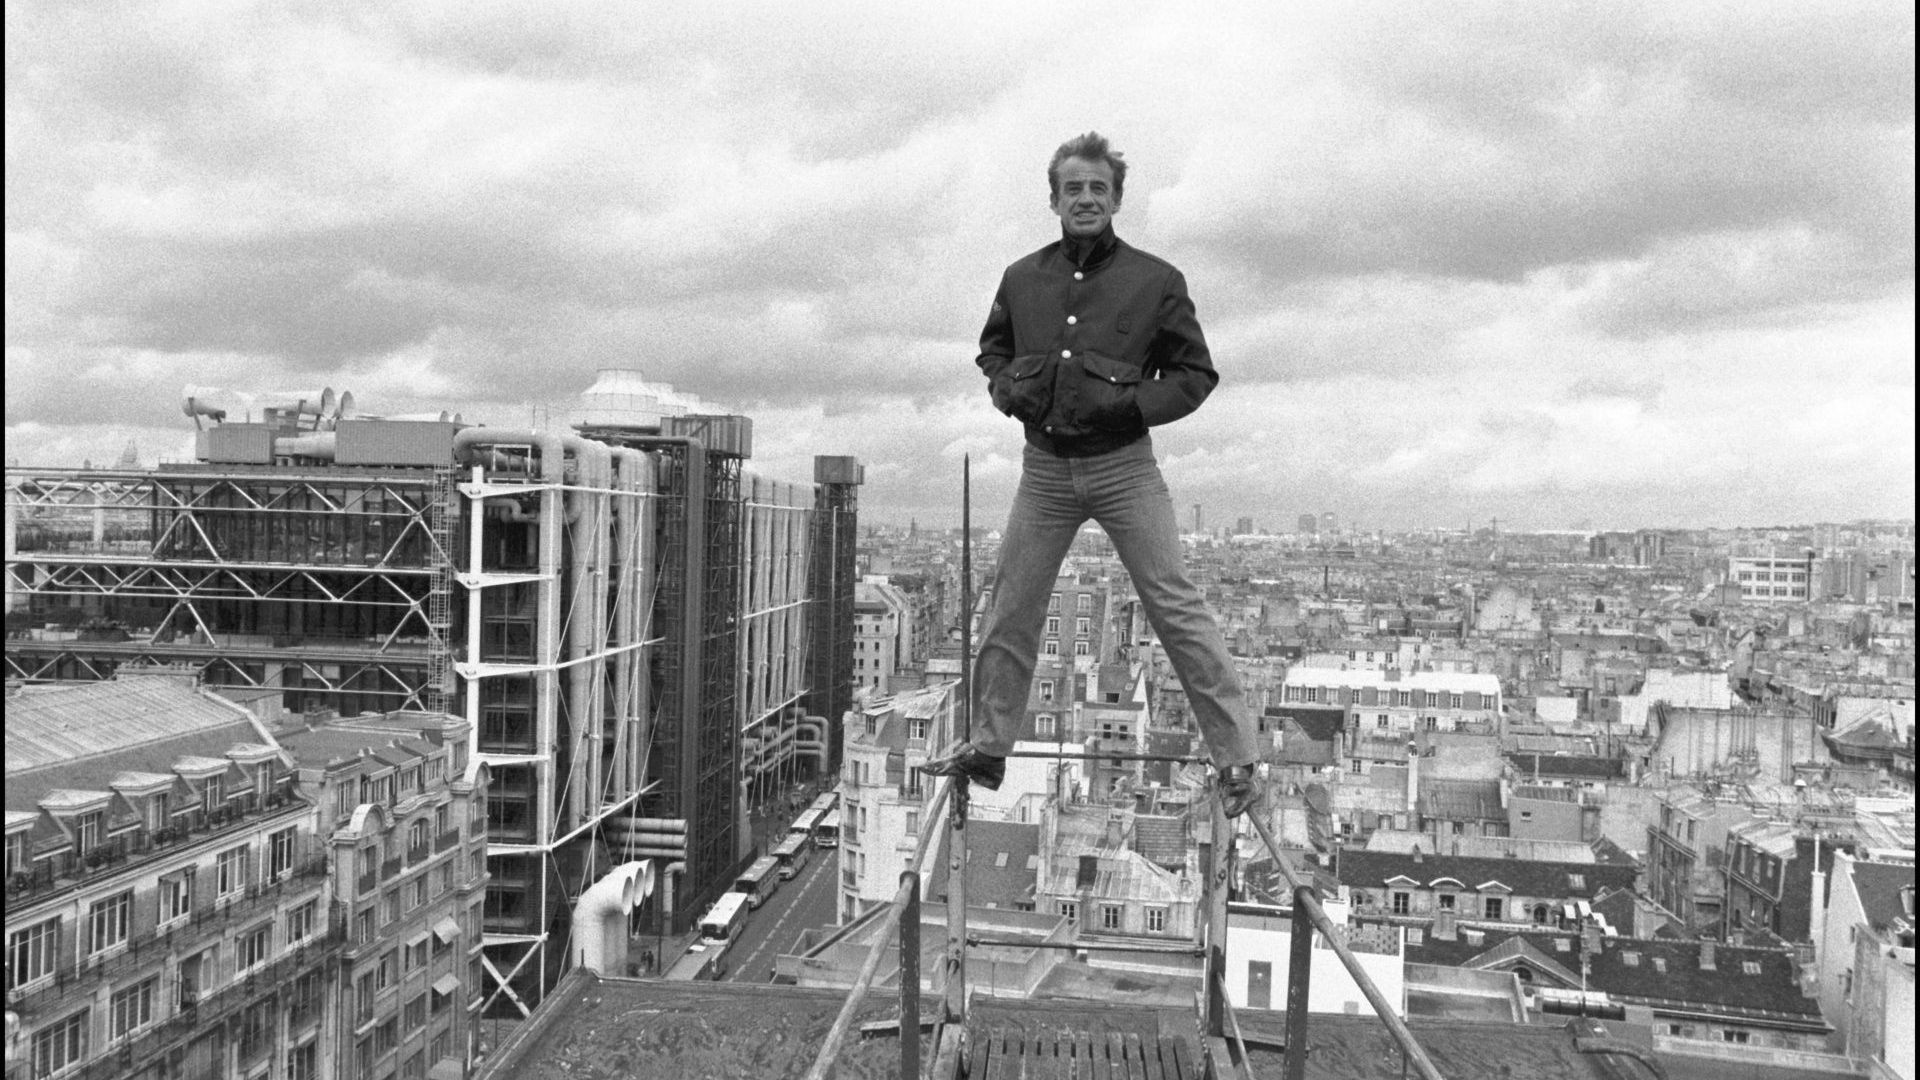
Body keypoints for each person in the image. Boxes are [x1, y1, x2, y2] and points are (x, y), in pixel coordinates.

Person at [921, 131, 1261, 817]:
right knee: (1011, 604)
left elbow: (1197, 374)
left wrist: (1130, 403)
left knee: (1175, 605)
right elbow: (993, 350)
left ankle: (1240, 759)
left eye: (1097, 189)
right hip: (1044, 469)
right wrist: (1008, 389)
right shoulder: (1022, 279)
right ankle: (988, 750)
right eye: (1073, 188)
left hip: (1124, 468)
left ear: (1115, 200)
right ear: (1054, 198)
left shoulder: (1156, 281)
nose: (1085, 199)